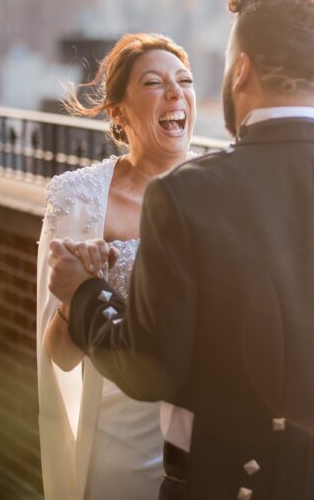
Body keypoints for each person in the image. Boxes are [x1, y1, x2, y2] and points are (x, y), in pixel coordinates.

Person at [48, 0, 314, 500]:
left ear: (241, 70)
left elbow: (148, 372)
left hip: (224, 480)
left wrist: (83, 293)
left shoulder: (186, 195)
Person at [36, 32, 197, 499]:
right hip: (119, 442)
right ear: (118, 111)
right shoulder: (80, 199)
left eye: (184, 80)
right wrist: (77, 292)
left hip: (203, 444)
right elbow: (61, 356)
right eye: (154, 83)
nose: (175, 92)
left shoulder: (221, 193)